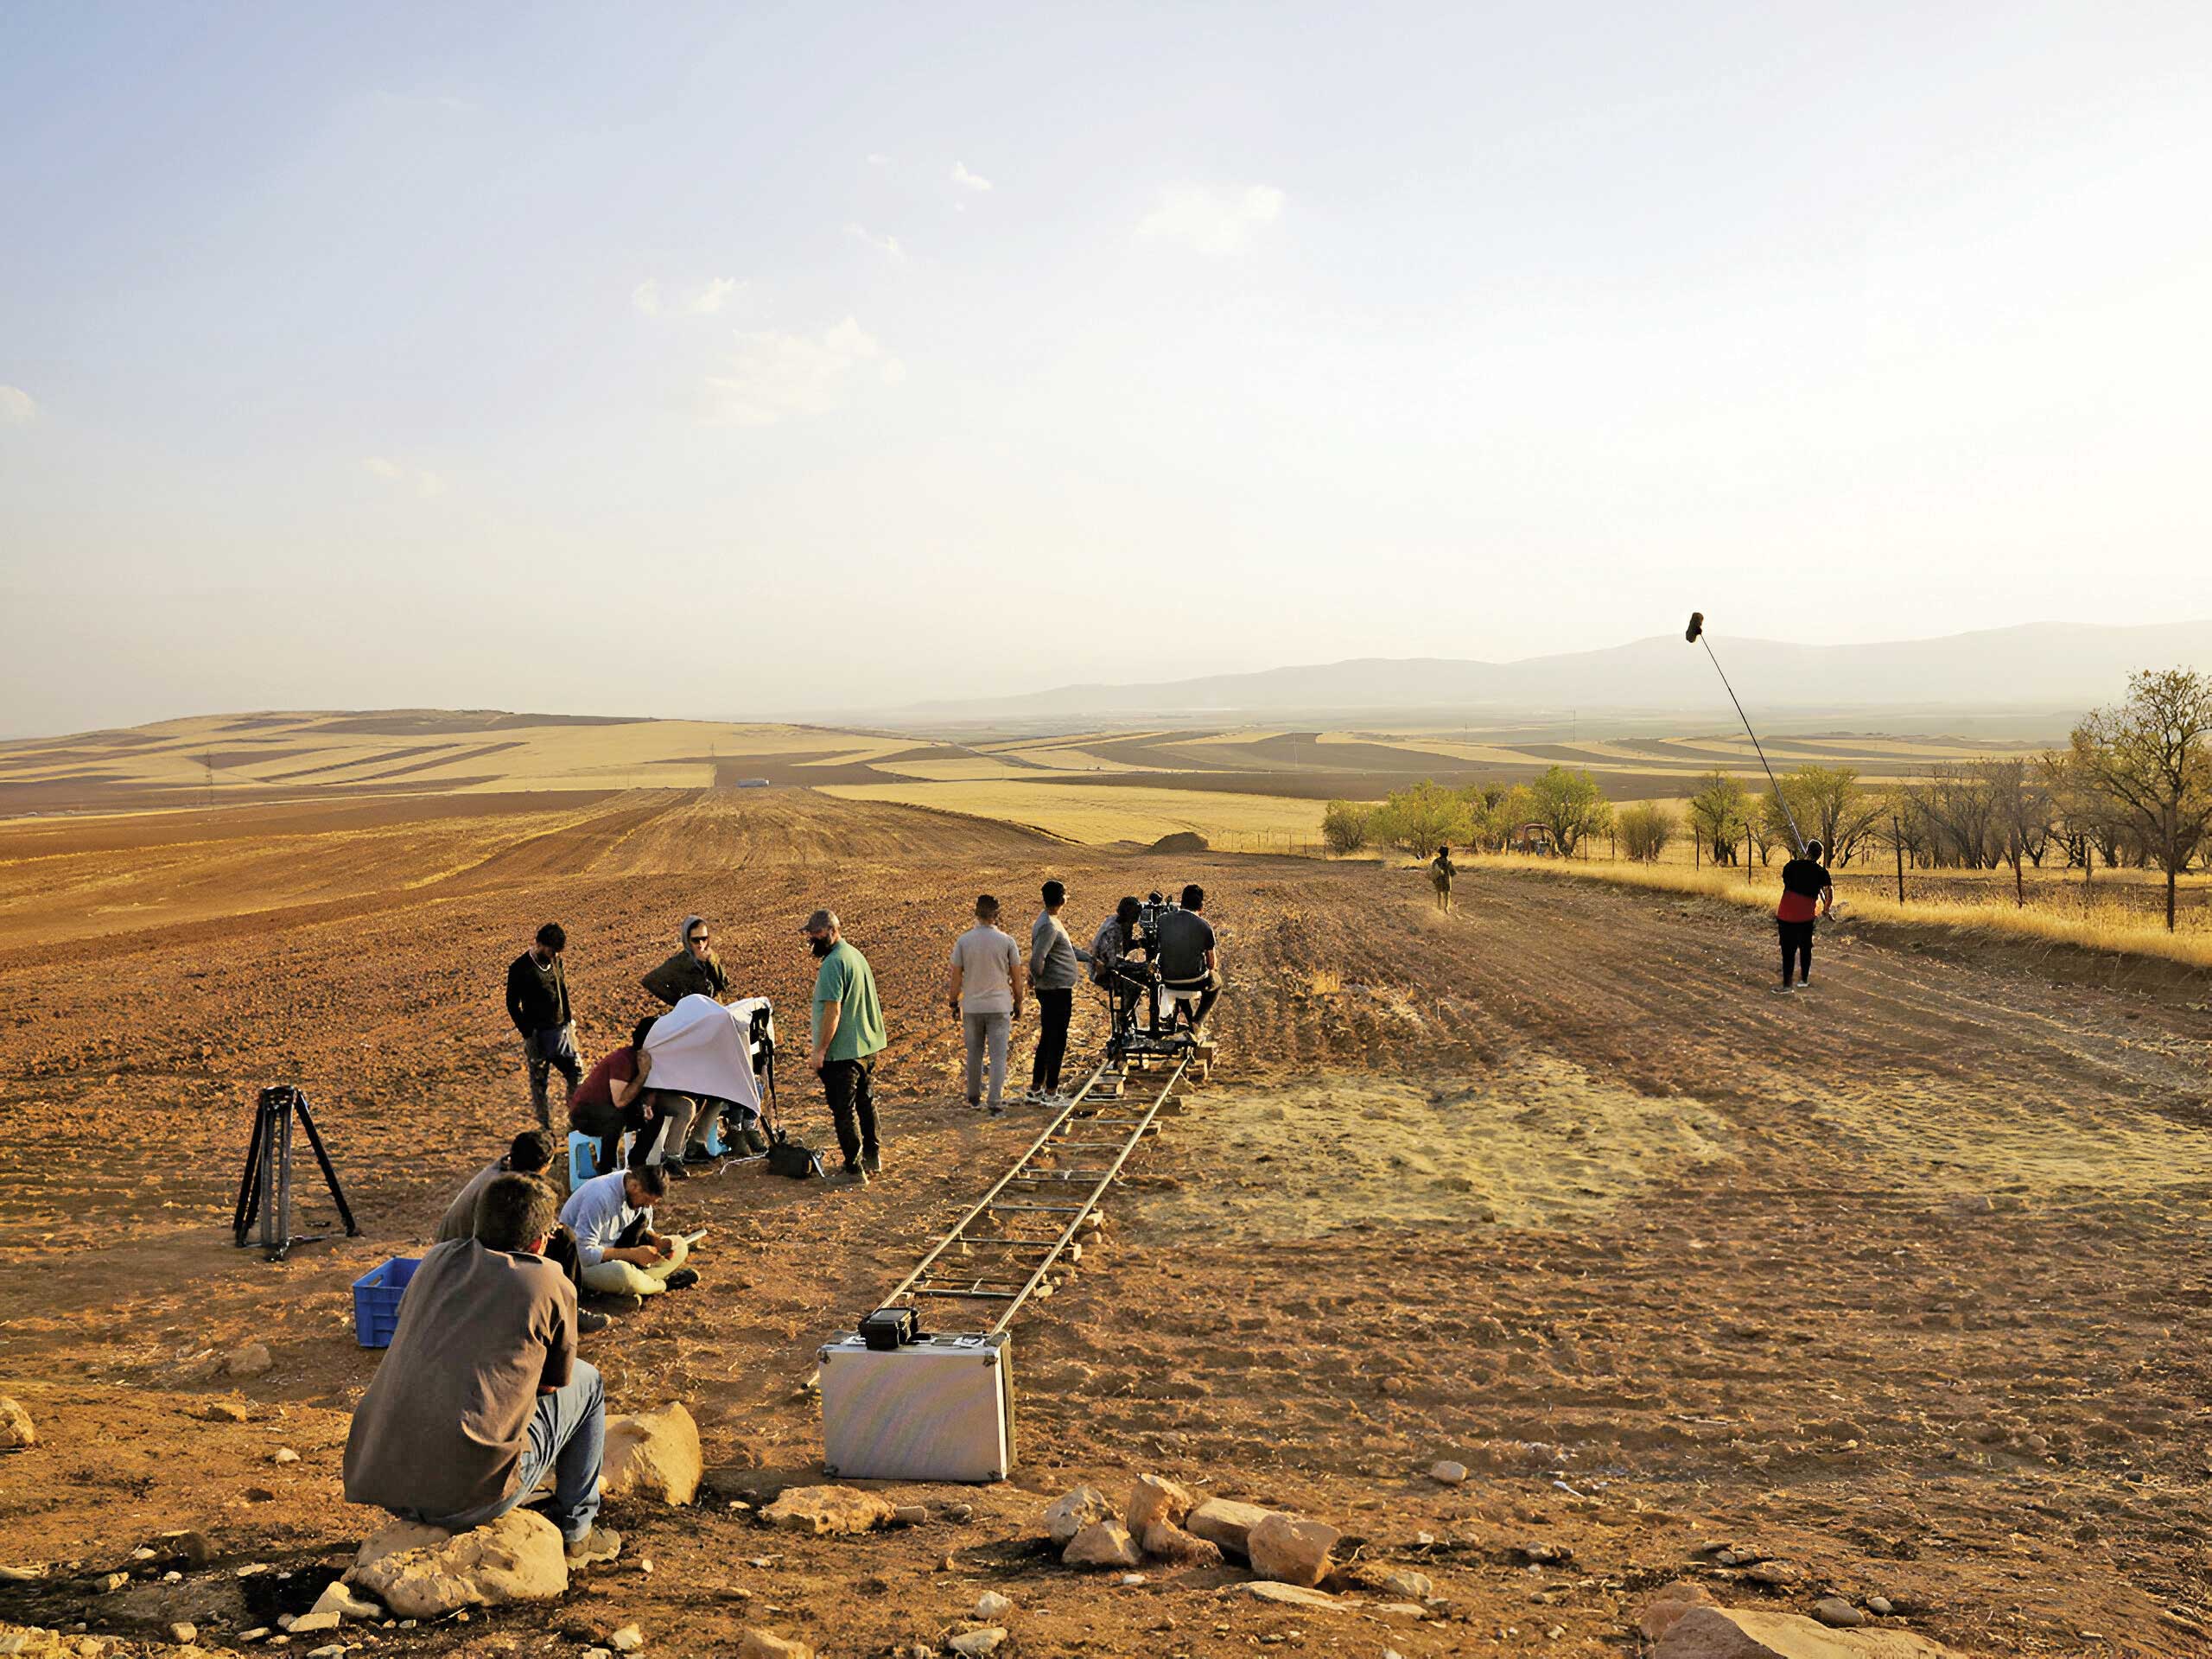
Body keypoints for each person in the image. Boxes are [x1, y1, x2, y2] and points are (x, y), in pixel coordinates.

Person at [341, 1173, 621, 1567]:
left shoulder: (436, 1260)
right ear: (541, 1241)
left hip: (386, 1483)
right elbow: (553, 1384)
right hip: (471, 1498)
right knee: (589, 1381)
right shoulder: (547, 1280)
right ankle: (577, 1531)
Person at [434, 1133, 611, 1332]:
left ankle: (563, 1304)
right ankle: (565, 1311)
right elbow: (500, 1238)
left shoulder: (503, 1169)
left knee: (556, 1234)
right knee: (563, 1239)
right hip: (464, 1260)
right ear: (544, 1167)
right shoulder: (503, 1191)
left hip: (449, 1253)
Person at [804, 907, 887, 1184]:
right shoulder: (855, 955)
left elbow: (833, 1011)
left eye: (815, 934)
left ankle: (853, 1170)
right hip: (866, 1047)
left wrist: (820, 1051)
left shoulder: (833, 963)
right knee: (866, 1102)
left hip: (843, 1052)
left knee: (844, 1111)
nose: (811, 940)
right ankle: (872, 1157)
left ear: (831, 931)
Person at [560, 1160, 698, 1297]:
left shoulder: (637, 1190)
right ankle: (664, 1285)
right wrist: (632, 1254)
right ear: (634, 1186)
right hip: (578, 1265)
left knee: (680, 1245)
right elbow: (584, 1255)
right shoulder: (599, 1197)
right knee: (623, 1274)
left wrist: (655, 1240)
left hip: (618, 1249)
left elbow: (645, 1226)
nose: (647, 1206)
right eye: (646, 1201)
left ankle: (640, 1285)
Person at [569, 1018, 674, 1179]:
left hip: (610, 1110)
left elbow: (648, 1091)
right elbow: (620, 1101)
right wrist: (643, 1074)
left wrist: (647, 1104)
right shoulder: (623, 1060)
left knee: (656, 1115)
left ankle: (637, 1163)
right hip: (586, 1113)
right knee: (617, 1116)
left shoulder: (648, 1060)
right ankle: (607, 1168)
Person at [949, 894, 1023, 1114]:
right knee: (998, 1054)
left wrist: (953, 1002)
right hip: (999, 1006)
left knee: (974, 1052)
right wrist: (1019, 1002)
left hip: (972, 1006)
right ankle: (995, 1100)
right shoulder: (1007, 942)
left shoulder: (963, 941)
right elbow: (1017, 979)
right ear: (997, 915)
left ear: (976, 913)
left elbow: (955, 978)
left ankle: (973, 1097)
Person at [505, 924, 580, 1129]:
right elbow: (512, 1004)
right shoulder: (520, 968)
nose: (553, 954)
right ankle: (545, 1128)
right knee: (539, 1085)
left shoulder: (556, 961)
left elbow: (562, 990)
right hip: (538, 1036)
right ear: (538, 944)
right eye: (550, 950)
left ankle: (574, 1120)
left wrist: (568, 1021)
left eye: (556, 951)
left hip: (562, 1033)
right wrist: (528, 1033)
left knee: (577, 1073)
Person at [1027, 880, 1089, 1106]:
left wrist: (1090, 959)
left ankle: (1036, 1089)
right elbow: (1037, 959)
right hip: (1055, 991)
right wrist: (1040, 979)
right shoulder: (1050, 926)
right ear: (1062, 899)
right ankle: (1051, 1092)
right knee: (1057, 1040)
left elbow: (1067, 950)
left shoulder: (1049, 921)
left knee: (1048, 1037)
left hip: (1053, 989)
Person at [1155, 884, 1221, 1030]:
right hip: (1194, 981)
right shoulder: (1204, 926)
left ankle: (1182, 1018)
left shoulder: (1162, 920)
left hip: (1168, 979)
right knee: (1216, 981)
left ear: (1181, 903)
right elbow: (1211, 964)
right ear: (1201, 907)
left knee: (1178, 971)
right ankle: (1197, 1021)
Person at [1776, 837, 1834, 992]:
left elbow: (1786, 882)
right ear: (1820, 855)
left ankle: (1787, 985)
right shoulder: (1822, 872)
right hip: (1805, 917)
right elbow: (1829, 893)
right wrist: (1826, 910)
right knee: (1805, 948)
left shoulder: (1790, 866)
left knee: (1788, 950)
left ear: (1807, 851)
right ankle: (1804, 980)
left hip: (1786, 914)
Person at [1090, 896, 1150, 1036]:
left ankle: (1130, 1022)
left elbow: (1126, 945)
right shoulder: (1114, 930)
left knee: (1145, 977)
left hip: (1110, 966)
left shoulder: (1122, 924)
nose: (1137, 919)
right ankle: (1123, 1023)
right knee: (1135, 988)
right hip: (1102, 972)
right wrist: (1138, 966)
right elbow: (1114, 963)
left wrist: (1139, 944)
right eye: (1135, 915)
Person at [641, 915, 730, 1006]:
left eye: (704, 939)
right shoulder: (679, 962)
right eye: (695, 940)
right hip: (694, 1014)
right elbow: (649, 981)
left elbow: (723, 985)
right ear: (687, 940)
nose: (701, 944)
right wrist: (678, 1002)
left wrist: (711, 963)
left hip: (715, 1010)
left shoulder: (712, 956)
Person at [1430, 844, 1457, 912]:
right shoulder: (1448, 862)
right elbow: (1453, 873)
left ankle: (1439, 906)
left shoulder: (1436, 861)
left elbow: (1432, 871)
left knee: (1440, 893)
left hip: (1439, 880)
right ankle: (1447, 908)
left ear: (1440, 853)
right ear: (1447, 854)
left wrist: (1434, 879)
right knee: (1448, 894)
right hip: (1447, 879)